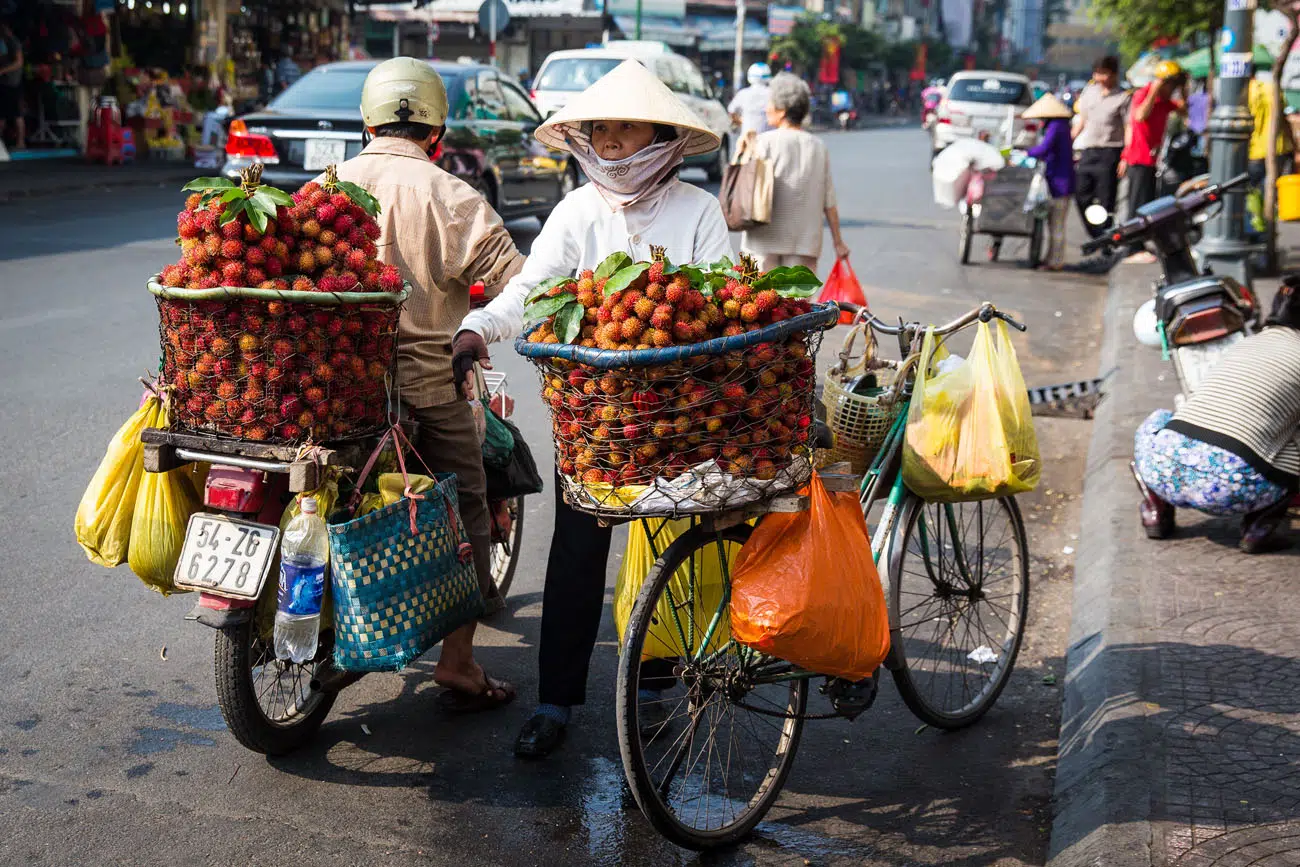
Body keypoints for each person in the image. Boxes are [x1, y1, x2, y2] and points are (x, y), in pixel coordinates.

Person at [453, 59, 732, 759]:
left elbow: (721, 306)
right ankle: (555, 701)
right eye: (598, 128)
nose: (608, 141)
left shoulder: (698, 210)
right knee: (576, 553)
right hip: (594, 417)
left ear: (660, 133)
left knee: (670, 544)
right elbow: (534, 289)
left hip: (676, 416)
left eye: (622, 127)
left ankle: (656, 681)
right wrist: (479, 327)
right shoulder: (577, 210)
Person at [330, 57, 527, 710]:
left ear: (367, 122)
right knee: (467, 503)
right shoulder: (453, 196)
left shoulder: (324, 187)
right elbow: (515, 284)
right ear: (436, 132)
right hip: (427, 385)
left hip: (336, 387)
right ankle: (460, 662)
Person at [1134, 280, 1300, 554]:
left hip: (1162, 469)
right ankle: (1258, 526)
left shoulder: (1247, 344)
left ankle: (1156, 506)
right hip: (1233, 490)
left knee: (1162, 418)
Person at [740, 73, 849, 272]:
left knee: (760, 301)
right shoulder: (818, 146)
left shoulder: (762, 142)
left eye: (770, 103)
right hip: (804, 242)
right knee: (798, 303)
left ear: (782, 111)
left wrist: (743, 149)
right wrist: (838, 242)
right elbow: (829, 201)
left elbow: (742, 189)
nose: (766, 108)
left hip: (763, 241)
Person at [1121, 60, 1187, 262]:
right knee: (1137, 205)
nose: (1172, 90)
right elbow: (1141, 116)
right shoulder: (1144, 95)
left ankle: (1138, 244)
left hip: (1151, 160)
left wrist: (1182, 89)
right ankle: (1132, 249)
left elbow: (1184, 111)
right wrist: (1154, 89)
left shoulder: (1165, 101)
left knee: (1146, 203)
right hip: (1139, 158)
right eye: (1171, 85)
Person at [1072, 56, 1130, 241]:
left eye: (1104, 73)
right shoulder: (1089, 92)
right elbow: (1082, 120)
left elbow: (1129, 128)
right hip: (1089, 151)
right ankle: (1096, 233)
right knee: (1081, 194)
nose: (1099, 77)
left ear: (1114, 74)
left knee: (1106, 200)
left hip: (1110, 153)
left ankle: (1105, 238)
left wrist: (1125, 157)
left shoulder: (1123, 97)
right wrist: (1068, 139)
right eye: (1097, 73)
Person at [1023, 93, 1076, 271]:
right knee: (1053, 224)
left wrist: (1026, 152)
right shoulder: (1059, 125)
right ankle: (1050, 258)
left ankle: (1056, 261)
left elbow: (1044, 148)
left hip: (1060, 182)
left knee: (1057, 225)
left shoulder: (1056, 126)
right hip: (1058, 180)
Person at [1247, 65, 1296, 186]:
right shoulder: (1273, 88)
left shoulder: (1245, 92)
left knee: (1254, 193)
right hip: (1279, 149)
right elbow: (1285, 120)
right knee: (1277, 191)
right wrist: (1294, 145)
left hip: (1255, 151)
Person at [728, 62, 772, 141]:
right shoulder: (774, 94)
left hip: (748, 140)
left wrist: (741, 121)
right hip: (768, 140)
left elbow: (731, 111)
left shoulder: (743, 93)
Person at [0, 22, 23, 152]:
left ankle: (20, 142)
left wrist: (3, 70)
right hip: (5, 82)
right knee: (2, 114)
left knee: (16, 114)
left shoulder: (13, 42)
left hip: (13, 83)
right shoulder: (4, 43)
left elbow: (19, 62)